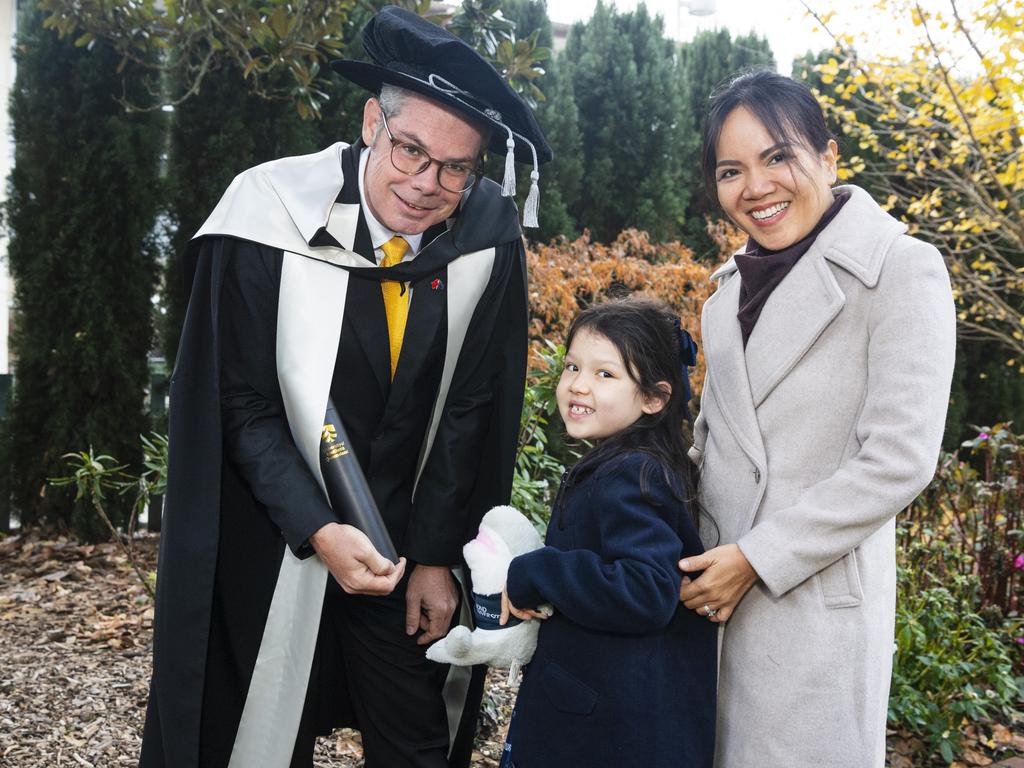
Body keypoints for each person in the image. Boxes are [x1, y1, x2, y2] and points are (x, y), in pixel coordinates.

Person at [139, 7, 551, 768]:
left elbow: (470, 409)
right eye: (410, 150)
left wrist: (434, 556)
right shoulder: (270, 215)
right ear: (372, 121)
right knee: (251, 737)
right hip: (274, 537)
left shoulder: (487, 240)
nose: (426, 185)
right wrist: (318, 528)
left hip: (402, 550)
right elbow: (241, 403)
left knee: (417, 744)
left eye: (455, 168)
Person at [678, 70, 956, 767]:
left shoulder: (901, 269)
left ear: (828, 157)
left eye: (778, 157)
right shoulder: (725, 294)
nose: (757, 187)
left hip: (809, 608)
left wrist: (756, 558)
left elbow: (899, 459)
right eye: (731, 170)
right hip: (710, 603)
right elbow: (710, 449)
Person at [499, 298, 716, 768]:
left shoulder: (632, 474)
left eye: (605, 374)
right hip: (600, 714)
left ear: (654, 398)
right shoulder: (628, 463)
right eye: (573, 366)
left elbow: (646, 590)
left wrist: (539, 571)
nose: (578, 385)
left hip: (605, 729)